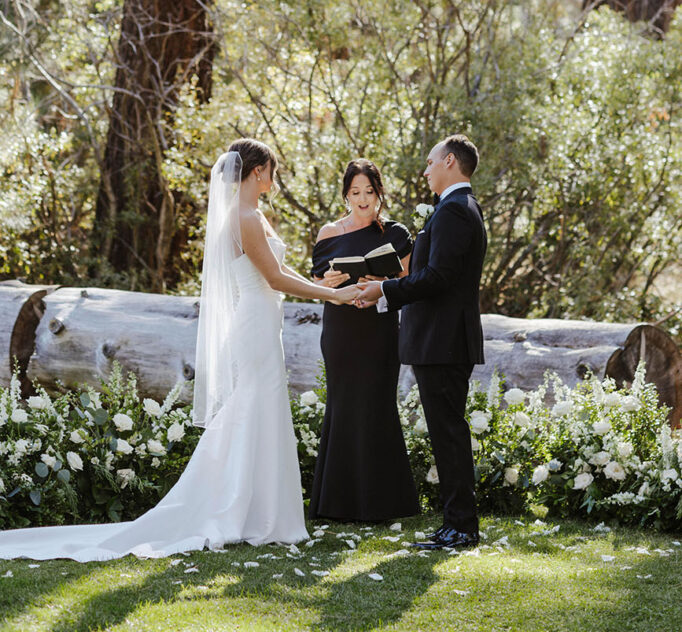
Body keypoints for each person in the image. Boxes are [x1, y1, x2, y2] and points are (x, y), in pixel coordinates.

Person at [0, 138, 355, 562]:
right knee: (253, 406)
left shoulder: (252, 215)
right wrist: (330, 297)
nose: (273, 177)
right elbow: (275, 280)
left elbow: (275, 269)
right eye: (271, 170)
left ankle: (260, 511)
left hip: (263, 321)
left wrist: (323, 285)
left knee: (260, 408)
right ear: (258, 171)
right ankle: (238, 509)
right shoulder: (244, 217)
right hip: (255, 324)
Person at [355, 135, 487, 550]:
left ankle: (462, 528)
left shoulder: (454, 211)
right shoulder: (458, 208)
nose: (426, 170)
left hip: (443, 342)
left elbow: (438, 278)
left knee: (448, 434)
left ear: (450, 161)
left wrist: (386, 291)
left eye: (430, 163)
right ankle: (455, 524)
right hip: (442, 340)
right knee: (446, 432)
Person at [308, 159, 419, 522]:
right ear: (345, 195)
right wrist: (336, 287)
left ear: (379, 193)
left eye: (369, 192)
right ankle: (335, 503)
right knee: (342, 407)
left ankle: (384, 503)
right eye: (355, 192)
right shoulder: (328, 233)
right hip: (341, 329)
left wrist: (373, 286)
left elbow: (407, 282)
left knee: (377, 407)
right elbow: (318, 287)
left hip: (379, 329)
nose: (363, 199)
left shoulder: (397, 233)